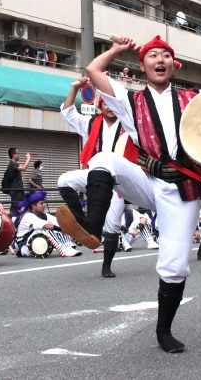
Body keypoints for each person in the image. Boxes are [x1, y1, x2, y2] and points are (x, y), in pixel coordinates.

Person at [56, 34, 201, 353]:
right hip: (145, 178)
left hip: (181, 187)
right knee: (104, 158)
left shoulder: (194, 99)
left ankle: (163, 331)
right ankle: (92, 225)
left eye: (165, 55)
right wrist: (116, 50)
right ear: (143, 66)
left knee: (175, 267)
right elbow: (94, 70)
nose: (159, 60)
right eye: (152, 56)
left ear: (173, 65)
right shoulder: (129, 100)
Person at [58, 77, 127, 277]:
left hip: (118, 180)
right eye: (105, 103)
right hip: (94, 176)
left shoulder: (127, 126)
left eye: (113, 103)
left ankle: (106, 266)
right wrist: (74, 89)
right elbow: (67, 112)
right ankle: (83, 223)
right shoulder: (90, 124)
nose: (110, 107)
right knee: (63, 180)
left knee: (112, 227)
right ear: (100, 106)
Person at [15, 191, 81, 258]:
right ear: (33, 206)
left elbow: (59, 223)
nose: (44, 205)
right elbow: (46, 226)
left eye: (44, 203)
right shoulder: (28, 216)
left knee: (59, 228)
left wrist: (69, 229)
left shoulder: (44, 215)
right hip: (23, 246)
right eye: (41, 203)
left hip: (35, 243)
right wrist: (61, 229)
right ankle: (63, 249)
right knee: (45, 229)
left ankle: (68, 246)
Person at [2, 147, 30, 215]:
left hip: (18, 190)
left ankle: (14, 220)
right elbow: (24, 168)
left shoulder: (14, 164)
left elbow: (23, 167)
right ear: (13, 155)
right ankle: (12, 222)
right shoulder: (12, 164)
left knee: (18, 207)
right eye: (18, 153)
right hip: (16, 190)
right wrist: (28, 158)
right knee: (15, 208)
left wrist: (26, 160)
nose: (19, 155)